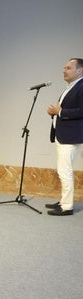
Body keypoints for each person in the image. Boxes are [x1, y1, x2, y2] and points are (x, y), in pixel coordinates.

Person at [45, 58, 83, 216]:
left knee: (65, 171)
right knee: (62, 170)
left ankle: (67, 207)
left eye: (68, 68)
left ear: (79, 70)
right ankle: (63, 201)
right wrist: (54, 113)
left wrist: (59, 112)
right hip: (63, 134)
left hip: (71, 135)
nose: (64, 70)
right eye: (64, 67)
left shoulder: (82, 86)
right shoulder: (72, 86)